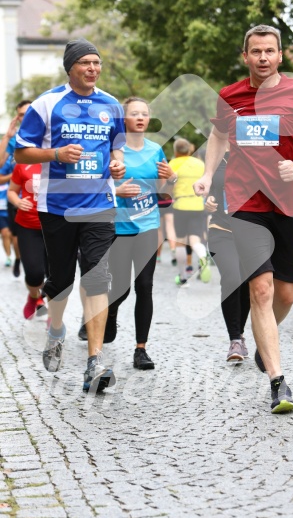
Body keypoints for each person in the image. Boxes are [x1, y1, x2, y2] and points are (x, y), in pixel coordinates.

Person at [194, 24, 293, 413]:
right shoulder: (230, 96)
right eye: (256, 52)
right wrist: (206, 173)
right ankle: (278, 382)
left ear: (280, 56)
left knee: (285, 294)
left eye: (270, 51)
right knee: (263, 290)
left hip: (287, 204)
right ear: (246, 56)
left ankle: (262, 341)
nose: (263, 58)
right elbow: (220, 136)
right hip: (245, 203)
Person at [14, 37, 126, 393]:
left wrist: (117, 165)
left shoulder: (111, 105)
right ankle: (57, 329)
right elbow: (21, 154)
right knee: (60, 280)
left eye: (97, 63)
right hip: (57, 206)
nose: (93, 68)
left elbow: (117, 150)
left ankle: (95, 361)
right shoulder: (47, 104)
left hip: (98, 206)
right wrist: (57, 154)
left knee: (97, 277)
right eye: (85, 63)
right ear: (70, 67)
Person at [103, 96, 177, 369]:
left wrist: (171, 177)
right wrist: (115, 189)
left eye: (144, 113)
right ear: (124, 119)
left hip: (148, 225)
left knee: (145, 286)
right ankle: (110, 313)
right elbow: (98, 187)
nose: (140, 117)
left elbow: (164, 189)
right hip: (119, 227)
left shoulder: (156, 149)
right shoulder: (113, 150)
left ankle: (141, 349)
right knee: (120, 287)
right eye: (134, 113)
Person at [205, 148, 251, 362]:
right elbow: (206, 189)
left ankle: (240, 334)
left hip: (250, 232)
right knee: (232, 278)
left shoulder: (255, 154)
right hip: (220, 231)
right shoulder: (213, 156)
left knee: (247, 284)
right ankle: (234, 339)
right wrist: (206, 202)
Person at [7, 162, 47, 319]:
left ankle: (55, 319)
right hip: (28, 226)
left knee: (56, 275)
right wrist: (18, 202)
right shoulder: (24, 163)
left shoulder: (62, 161)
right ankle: (34, 296)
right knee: (34, 272)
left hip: (57, 226)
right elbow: (11, 191)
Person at [169, 138, 211, 286]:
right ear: (189, 150)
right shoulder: (200, 164)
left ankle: (183, 277)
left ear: (176, 151)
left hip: (180, 205)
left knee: (180, 242)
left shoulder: (173, 164)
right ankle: (202, 255)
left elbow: (168, 187)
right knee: (195, 240)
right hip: (198, 206)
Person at [0, 100, 31, 277]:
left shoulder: (50, 134)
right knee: (17, 238)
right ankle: (20, 259)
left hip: (45, 198)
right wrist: (6, 136)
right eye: (21, 114)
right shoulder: (15, 139)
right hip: (17, 199)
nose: (24, 118)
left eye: (29, 113)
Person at [0, 157, 13, 267]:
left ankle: (18, 256)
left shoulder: (10, 162)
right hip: (1, 209)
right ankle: (8, 256)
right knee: (5, 233)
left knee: (12, 235)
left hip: (11, 207)